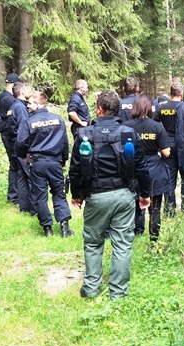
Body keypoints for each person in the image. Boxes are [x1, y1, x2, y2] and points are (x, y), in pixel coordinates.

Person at [69, 90, 151, 299]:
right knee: (122, 244)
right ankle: (118, 293)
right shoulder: (128, 133)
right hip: (124, 195)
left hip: (96, 197)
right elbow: (141, 168)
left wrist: (77, 194)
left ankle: (90, 288)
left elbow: (75, 169)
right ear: (116, 110)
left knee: (93, 243)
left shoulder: (84, 134)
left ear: (98, 109)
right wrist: (145, 195)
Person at [15, 91, 73, 237]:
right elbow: (65, 143)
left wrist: (23, 156)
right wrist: (63, 160)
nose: (28, 105)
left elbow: (21, 143)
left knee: (40, 195)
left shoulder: (29, 122)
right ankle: (65, 227)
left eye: (30, 103)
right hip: (55, 162)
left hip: (38, 162)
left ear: (37, 103)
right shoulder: (58, 120)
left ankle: (47, 228)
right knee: (59, 193)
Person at [123, 94, 171, 241]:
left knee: (135, 207)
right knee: (155, 209)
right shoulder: (157, 126)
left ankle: (135, 235)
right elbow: (166, 152)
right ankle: (154, 241)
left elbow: (124, 151)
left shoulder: (127, 127)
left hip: (133, 171)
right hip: (155, 170)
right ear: (149, 108)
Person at [153, 82, 184, 213]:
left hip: (167, 147)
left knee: (169, 179)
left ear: (171, 92)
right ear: (181, 93)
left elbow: (153, 123)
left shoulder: (161, 108)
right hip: (183, 146)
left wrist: (159, 141)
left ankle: (169, 211)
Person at [7, 82, 36, 214]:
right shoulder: (20, 108)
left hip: (14, 145)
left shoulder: (13, 106)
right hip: (22, 146)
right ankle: (33, 207)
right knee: (29, 175)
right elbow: (25, 128)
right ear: (23, 92)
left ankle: (23, 206)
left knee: (21, 175)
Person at [0, 73, 22, 204]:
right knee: (15, 165)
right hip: (10, 136)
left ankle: (14, 195)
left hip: (9, 134)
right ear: (12, 84)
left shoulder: (7, 98)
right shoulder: (9, 100)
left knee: (15, 165)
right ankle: (14, 196)